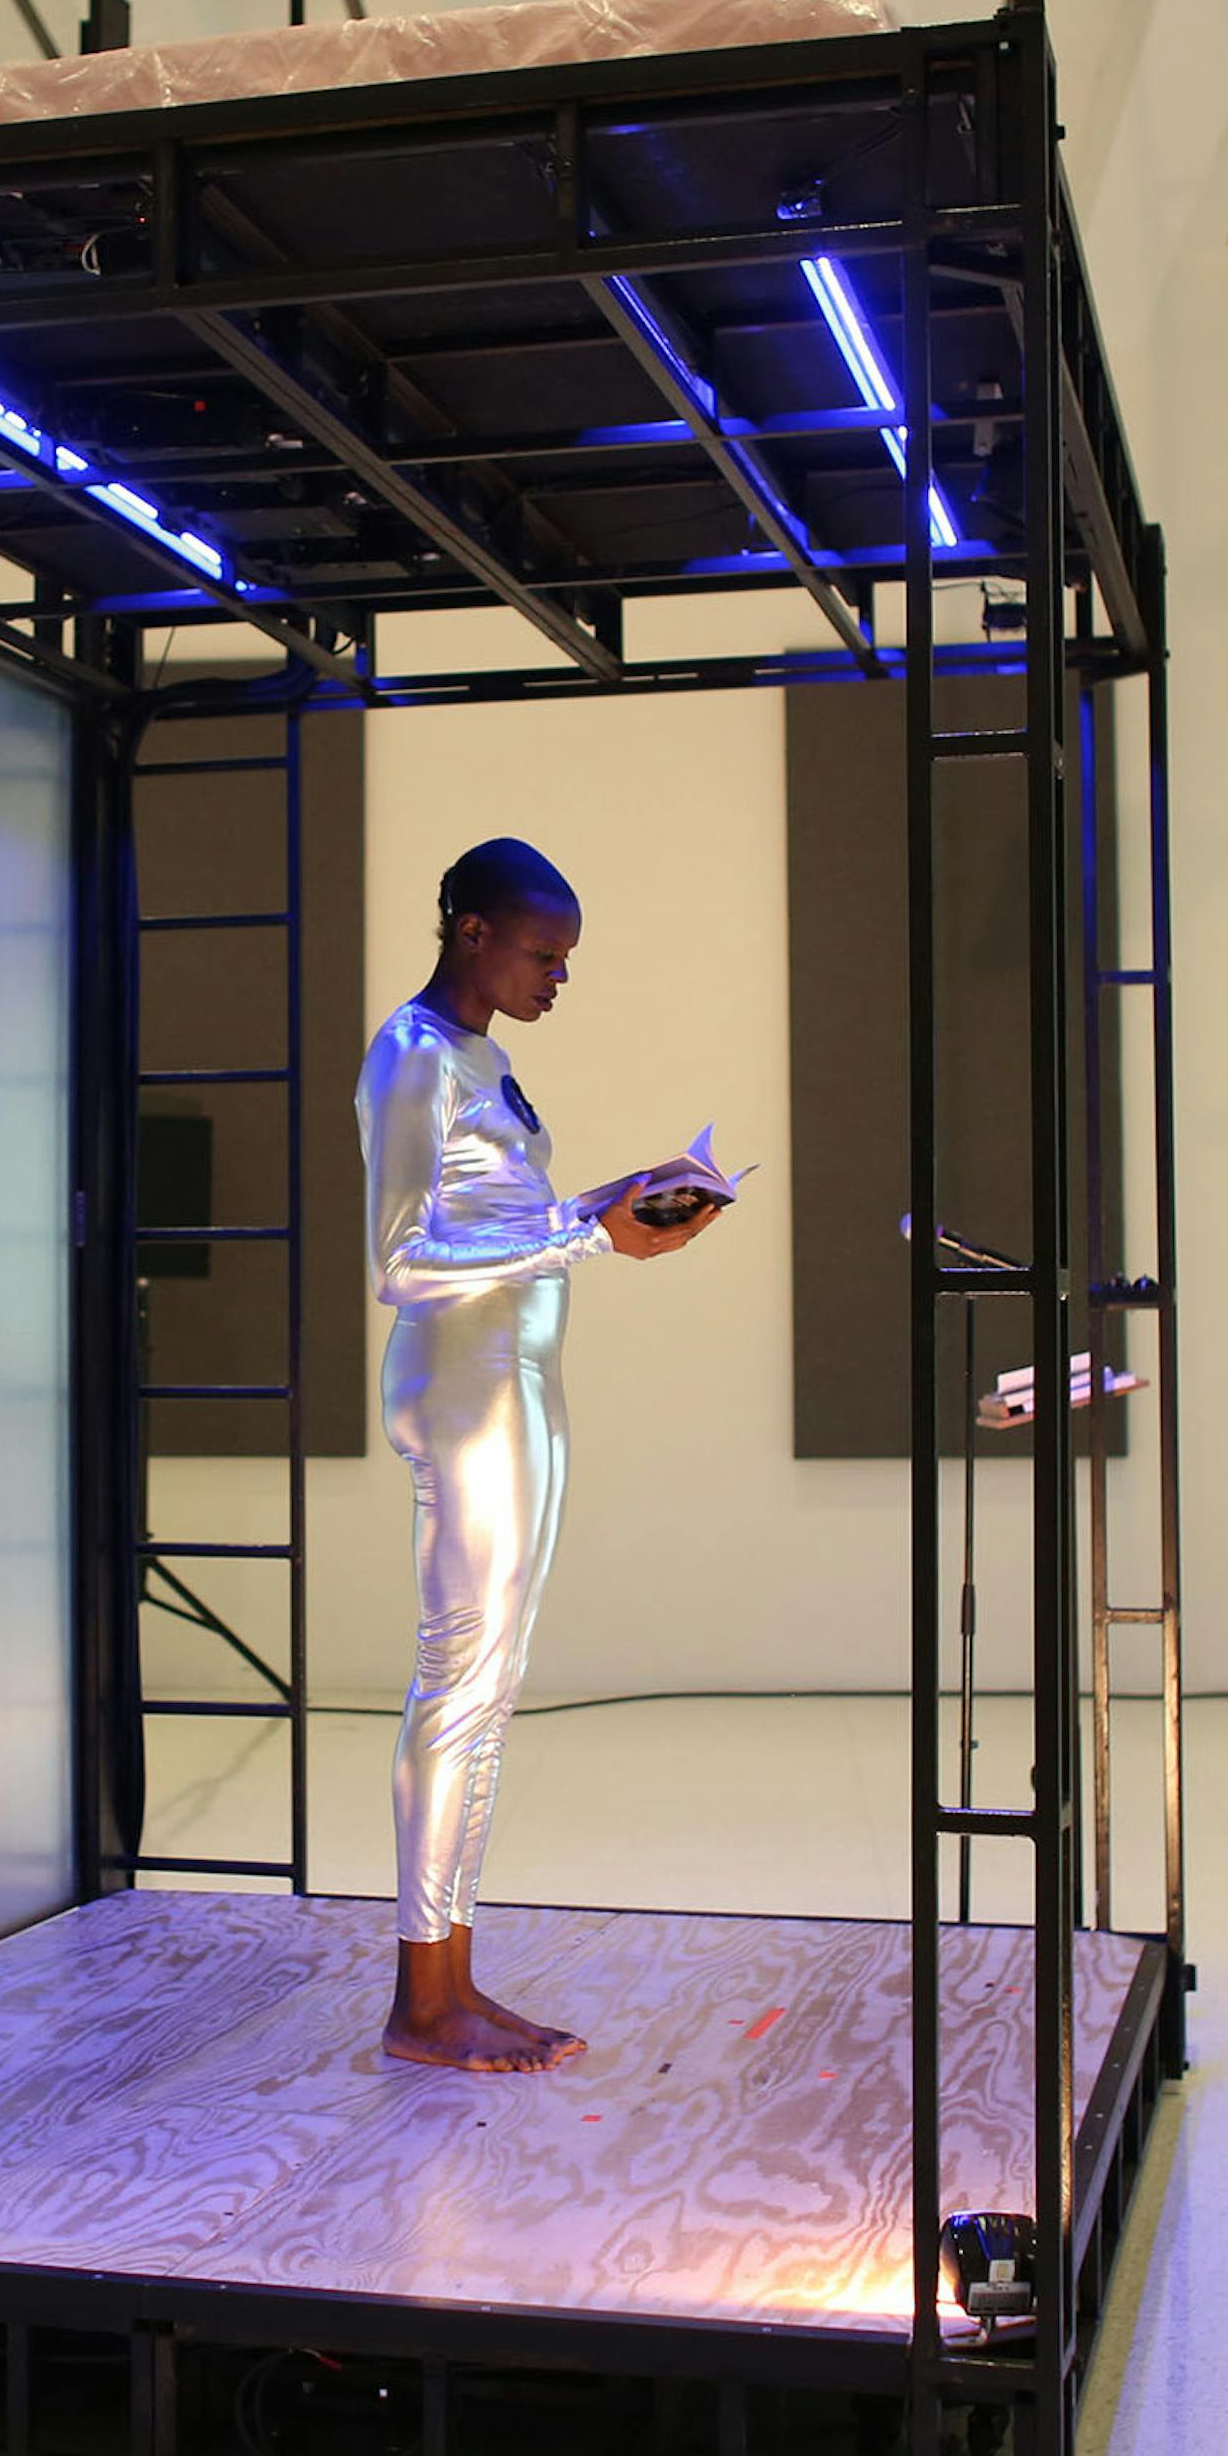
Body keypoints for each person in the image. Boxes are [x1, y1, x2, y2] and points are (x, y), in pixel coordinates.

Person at [354, 836, 725, 2073]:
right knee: (457, 1686)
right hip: (466, 1393)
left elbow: (506, 1221)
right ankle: (421, 2002)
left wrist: (617, 1201)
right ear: (472, 932)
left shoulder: (486, 1061)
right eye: (545, 953)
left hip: (518, 1387)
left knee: (490, 1693)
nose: (560, 977)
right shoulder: (412, 1058)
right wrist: (587, 1243)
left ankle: (452, 1976)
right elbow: (400, 1264)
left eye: (567, 959)